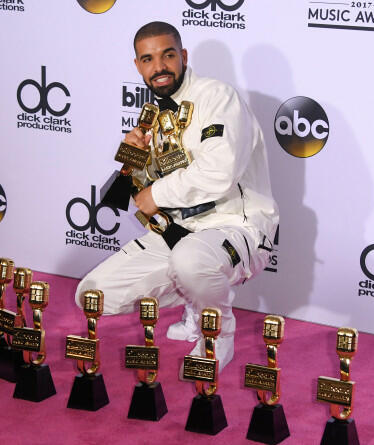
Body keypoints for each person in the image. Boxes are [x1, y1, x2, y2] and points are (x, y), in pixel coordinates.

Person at [75, 21, 278, 372]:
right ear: (138, 65)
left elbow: (219, 173)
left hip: (236, 226)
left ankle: (217, 332)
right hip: (178, 232)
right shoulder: (152, 115)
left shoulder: (218, 97)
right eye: (148, 59)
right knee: (92, 294)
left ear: (182, 56)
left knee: (191, 259)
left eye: (168, 55)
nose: (159, 67)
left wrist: (158, 192)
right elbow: (140, 191)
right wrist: (132, 158)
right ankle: (195, 298)